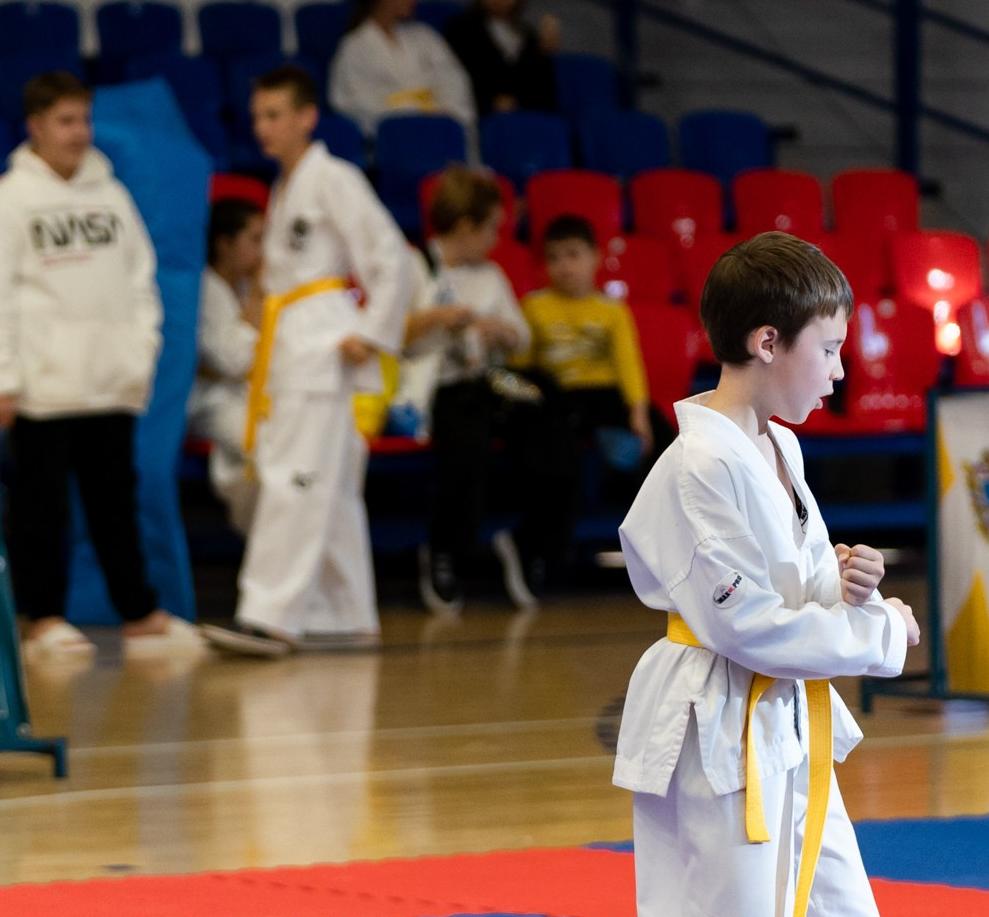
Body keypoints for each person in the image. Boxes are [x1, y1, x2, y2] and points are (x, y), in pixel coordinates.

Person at [614, 231, 925, 917]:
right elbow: (743, 623)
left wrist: (842, 582)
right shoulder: (694, 465)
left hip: (787, 725)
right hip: (716, 728)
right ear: (763, 341)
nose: (839, 370)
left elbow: (783, 591)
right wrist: (876, 634)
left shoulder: (775, 447)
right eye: (826, 348)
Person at [0, 71, 197, 658]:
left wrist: (137, 355)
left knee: (118, 505)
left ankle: (139, 612)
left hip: (108, 383)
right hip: (42, 388)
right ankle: (43, 617)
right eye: (66, 122)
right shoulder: (4, 204)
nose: (79, 133)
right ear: (35, 127)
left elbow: (142, 282)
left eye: (85, 120)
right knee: (41, 512)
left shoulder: (112, 197)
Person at [203, 67, 412, 658]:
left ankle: (268, 615)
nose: (263, 128)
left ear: (306, 116)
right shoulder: (289, 184)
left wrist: (370, 333)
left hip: (320, 347)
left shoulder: (332, 178)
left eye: (274, 115)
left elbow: (389, 255)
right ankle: (347, 612)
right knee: (333, 485)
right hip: (294, 342)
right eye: (258, 117)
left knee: (290, 480)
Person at [405, 172, 528, 615]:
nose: (497, 238)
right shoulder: (415, 265)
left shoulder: (490, 275)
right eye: (491, 227)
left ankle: (526, 542)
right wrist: (438, 318)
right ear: (464, 226)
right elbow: (392, 336)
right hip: (438, 383)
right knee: (468, 439)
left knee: (545, 411)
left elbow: (522, 337)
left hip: (489, 381)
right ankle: (445, 552)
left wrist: (501, 331)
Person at [517, 213, 654, 597]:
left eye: (573, 255)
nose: (564, 266)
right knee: (559, 455)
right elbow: (523, 368)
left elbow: (628, 364)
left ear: (595, 258)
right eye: (555, 257)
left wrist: (638, 413)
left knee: (669, 442)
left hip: (604, 396)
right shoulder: (533, 307)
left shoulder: (611, 311)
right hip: (559, 399)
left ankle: (669, 553)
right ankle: (544, 555)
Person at [326, 0, 475, 138]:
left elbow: (453, 80)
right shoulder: (355, 46)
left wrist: (444, 112)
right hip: (392, 138)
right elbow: (354, 102)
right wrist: (412, 113)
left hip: (438, 129)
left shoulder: (424, 36)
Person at [189, 196, 264, 533]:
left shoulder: (249, 286)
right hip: (209, 400)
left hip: (252, 394)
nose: (263, 250)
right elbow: (235, 361)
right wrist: (258, 300)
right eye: (255, 239)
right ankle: (261, 538)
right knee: (265, 447)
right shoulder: (203, 289)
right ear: (224, 243)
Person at [440, 0, 563, 118]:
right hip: (480, 118)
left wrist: (545, 54)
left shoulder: (529, 36)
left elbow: (543, 95)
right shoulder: (461, 30)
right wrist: (491, 101)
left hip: (523, 118)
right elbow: (456, 81)